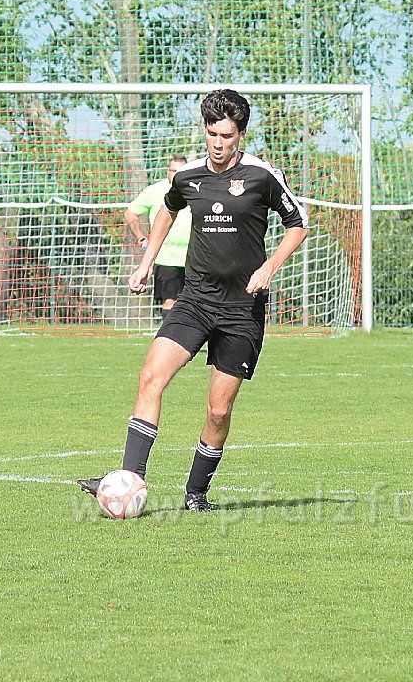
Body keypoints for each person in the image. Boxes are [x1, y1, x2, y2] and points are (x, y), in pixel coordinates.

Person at [79, 89, 310, 510]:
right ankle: (130, 479)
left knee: (218, 411)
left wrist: (269, 267)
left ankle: (196, 493)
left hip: (241, 310)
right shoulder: (188, 177)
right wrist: (147, 262)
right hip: (195, 301)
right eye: (212, 134)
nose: (218, 144)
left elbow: (298, 223)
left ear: (241, 135)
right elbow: (167, 210)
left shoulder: (262, 175)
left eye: (227, 135)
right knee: (151, 377)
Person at [122, 155, 191, 322]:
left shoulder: (195, 188)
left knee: (195, 303)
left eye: (180, 171)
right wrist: (140, 236)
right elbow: (130, 213)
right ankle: (169, 335)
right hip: (166, 258)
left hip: (195, 257)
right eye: (173, 171)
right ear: (167, 171)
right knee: (170, 300)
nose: (176, 174)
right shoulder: (155, 190)